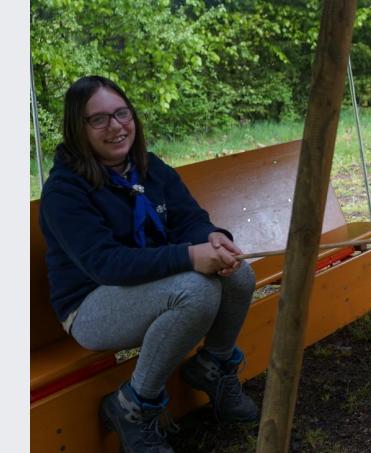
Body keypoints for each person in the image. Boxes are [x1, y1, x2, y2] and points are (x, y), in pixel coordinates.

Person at [39, 76, 259, 452]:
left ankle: (213, 367)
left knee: (239, 275)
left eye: (122, 113)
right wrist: (190, 256)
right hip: (91, 306)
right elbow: (107, 265)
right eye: (99, 119)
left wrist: (211, 237)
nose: (116, 126)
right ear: (79, 129)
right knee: (196, 291)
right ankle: (132, 406)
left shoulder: (149, 167)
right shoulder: (65, 190)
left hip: (150, 286)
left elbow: (189, 218)